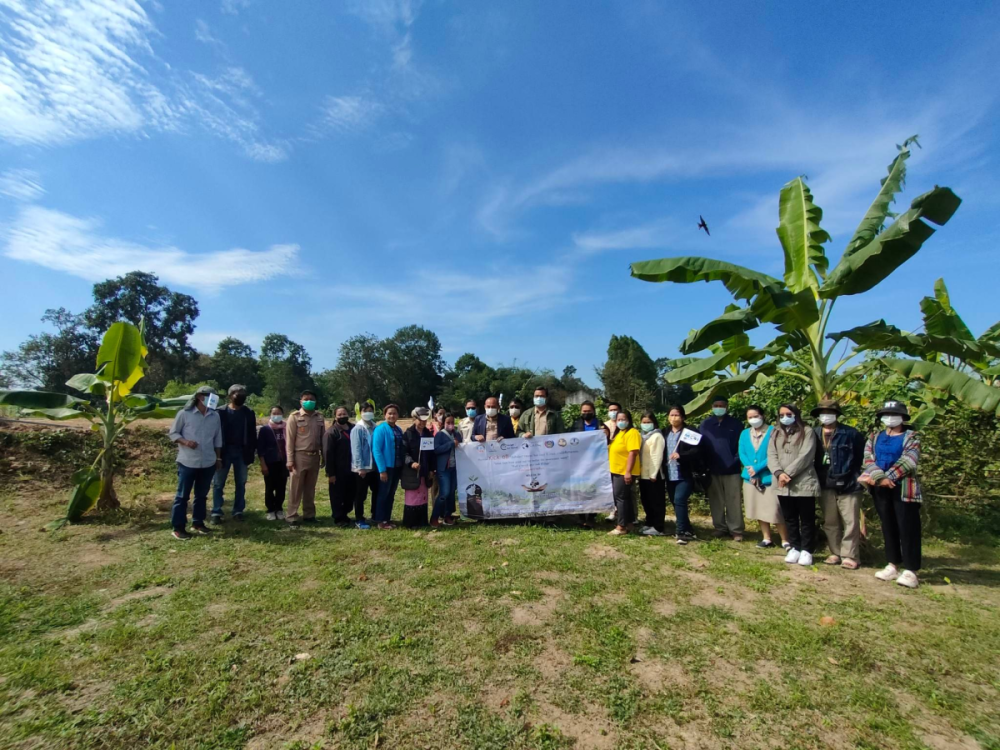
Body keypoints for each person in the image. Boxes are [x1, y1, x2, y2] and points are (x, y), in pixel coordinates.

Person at [859, 400, 923, 588]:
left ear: (903, 417)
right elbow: (868, 458)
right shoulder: (875, 436)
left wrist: (889, 477)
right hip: (880, 487)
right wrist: (880, 478)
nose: (890, 418)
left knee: (908, 528)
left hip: (903, 488)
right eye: (886, 415)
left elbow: (910, 460)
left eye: (894, 414)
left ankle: (911, 569)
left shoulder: (912, 437)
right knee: (888, 525)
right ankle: (892, 564)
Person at [812, 399, 865, 570]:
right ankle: (835, 552)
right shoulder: (814, 433)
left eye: (830, 412)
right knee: (830, 520)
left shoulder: (850, 433)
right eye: (823, 413)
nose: (826, 416)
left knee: (850, 520)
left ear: (837, 415)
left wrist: (857, 478)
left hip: (849, 483)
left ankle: (850, 555)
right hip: (825, 482)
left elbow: (860, 458)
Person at [767, 404, 820, 566]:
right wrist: (778, 473)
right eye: (781, 414)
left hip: (803, 481)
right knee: (789, 517)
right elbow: (771, 454)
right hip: (782, 482)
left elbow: (806, 455)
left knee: (806, 518)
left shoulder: (808, 431)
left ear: (796, 414)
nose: (785, 417)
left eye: (788, 414)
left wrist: (788, 473)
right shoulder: (775, 432)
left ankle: (807, 550)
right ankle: (795, 547)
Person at [168, 386, 223, 540]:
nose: (214, 399)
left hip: (208, 462)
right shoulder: (184, 414)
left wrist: (218, 458)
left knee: (201, 495)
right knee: (182, 496)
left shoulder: (215, 416)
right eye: (211, 396)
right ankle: (178, 527)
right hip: (187, 462)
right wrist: (185, 442)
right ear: (200, 397)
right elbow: (173, 433)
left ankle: (198, 523)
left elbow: (218, 438)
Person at [739, 405, 787, 549]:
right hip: (750, 477)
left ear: (763, 416)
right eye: (750, 417)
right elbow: (742, 453)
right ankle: (766, 538)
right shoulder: (744, 433)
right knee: (758, 508)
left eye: (756, 416)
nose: (753, 419)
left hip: (769, 476)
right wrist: (750, 469)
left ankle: (785, 540)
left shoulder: (774, 431)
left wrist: (757, 468)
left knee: (775, 509)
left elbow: (776, 453)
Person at [699, 397, 745, 541]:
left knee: (733, 500)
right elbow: (701, 446)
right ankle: (719, 527)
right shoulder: (705, 424)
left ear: (727, 407)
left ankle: (736, 530)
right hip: (712, 469)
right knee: (716, 500)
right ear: (712, 407)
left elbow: (741, 445)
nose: (719, 407)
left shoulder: (736, 424)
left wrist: (735, 460)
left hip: (732, 469)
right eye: (716, 405)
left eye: (722, 405)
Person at [210, 384, 257, 523]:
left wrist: (251, 451)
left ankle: (238, 511)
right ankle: (216, 512)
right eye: (238, 393)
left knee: (241, 483)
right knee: (218, 483)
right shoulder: (220, 412)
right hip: (223, 452)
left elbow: (252, 434)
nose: (241, 395)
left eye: (243, 393)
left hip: (242, 452)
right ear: (230, 396)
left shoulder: (249, 413)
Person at [285, 390, 326, 526]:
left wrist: (324, 456)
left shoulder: (319, 417)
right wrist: (290, 460)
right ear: (301, 401)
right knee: (295, 488)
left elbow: (322, 438)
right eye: (306, 399)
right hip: (299, 456)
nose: (309, 401)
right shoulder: (294, 417)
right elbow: (289, 441)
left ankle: (309, 515)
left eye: (311, 399)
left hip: (314, 456)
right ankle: (292, 516)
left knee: (310, 488)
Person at [663, 406, 702, 545]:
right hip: (669, 473)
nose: (674, 418)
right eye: (671, 415)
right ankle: (688, 529)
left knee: (680, 500)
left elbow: (697, 450)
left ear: (683, 417)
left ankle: (680, 533)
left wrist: (681, 455)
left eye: (677, 415)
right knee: (675, 502)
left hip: (684, 474)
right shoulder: (665, 432)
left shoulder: (690, 431)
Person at [608, 409, 641, 535]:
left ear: (629, 420)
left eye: (623, 419)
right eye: (618, 420)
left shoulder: (632, 433)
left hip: (624, 472)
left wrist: (628, 472)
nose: (621, 422)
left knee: (620, 498)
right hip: (616, 470)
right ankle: (629, 523)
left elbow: (633, 453)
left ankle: (621, 526)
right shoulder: (620, 433)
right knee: (624, 498)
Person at [401, 407, 435, 528]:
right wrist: (411, 463)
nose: (422, 423)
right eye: (420, 420)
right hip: (412, 473)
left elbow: (432, 454)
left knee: (423, 496)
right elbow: (404, 453)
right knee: (412, 496)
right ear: (414, 419)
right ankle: (411, 522)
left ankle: (422, 521)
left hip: (424, 471)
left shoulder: (428, 434)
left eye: (425, 421)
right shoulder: (407, 434)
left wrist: (431, 469)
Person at [372, 403, 404, 530]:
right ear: (385, 415)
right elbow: (377, 450)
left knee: (391, 494)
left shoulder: (398, 429)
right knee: (383, 494)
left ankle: (387, 518)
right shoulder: (380, 429)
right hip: (386, 468)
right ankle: (380, 520)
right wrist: (382, 470)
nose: (392, 415)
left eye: (394, 413)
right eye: (389, 413)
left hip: (396, 467)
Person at [324, 406, 356, 525]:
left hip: (352, 468)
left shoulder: (354, 428)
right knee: (337, 494)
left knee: (350, 494)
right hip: (338, 470)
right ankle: (338, 517)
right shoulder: (331, 432)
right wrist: (330, 473)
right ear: (335, 416)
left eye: (344, 414)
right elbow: (328, 453)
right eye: (340, 414)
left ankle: (345, 514)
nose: (342, 416)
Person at [257, 405, 288, 521]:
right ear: (270, 415)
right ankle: (270, 510)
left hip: (283, 462)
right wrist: (262, 464)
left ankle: (279, 508)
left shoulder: (286, 428)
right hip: (270, 462)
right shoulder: (265, 430)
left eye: (278, 413)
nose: (276, 415)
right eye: (274, 413)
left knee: (281, 487)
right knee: (270, 487)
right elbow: (260, 449)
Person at [349, 402, 378, 529]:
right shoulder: (357, 429)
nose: (368, 413)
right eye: (365, 410)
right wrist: (360, 467)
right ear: (360, 412)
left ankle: (375, 515)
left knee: (376, 492)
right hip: (362, 468)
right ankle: (359, 519)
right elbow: (356, 449)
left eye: (370, 410)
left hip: (374, 467)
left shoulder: (375, 427)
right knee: (361, 494)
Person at [638, 411, 666, 536]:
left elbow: (657, 456)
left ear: (654, 423)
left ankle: (658, 526)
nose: (646, 424)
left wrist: (653, 474)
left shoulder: (657, 436)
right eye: (644, 422)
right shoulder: (643, 436)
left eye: (648, 422)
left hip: (654, 475)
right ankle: (649, 523)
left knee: (656, 501)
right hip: (643, 474)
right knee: (646, 500)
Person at [433, 413, 462, 527]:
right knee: (444, 493)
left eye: (452, 422)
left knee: (451, 493)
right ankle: (434, 517)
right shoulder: (440, 435)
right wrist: (450, 444)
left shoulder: (455, 434)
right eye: (448, 422)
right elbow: (436, 449)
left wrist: (456, 438)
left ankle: (447, 515)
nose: (450, 425)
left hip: (453, 468)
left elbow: (461, 441)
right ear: (443, 423)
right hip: (443, 469)